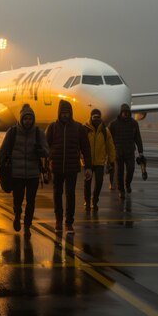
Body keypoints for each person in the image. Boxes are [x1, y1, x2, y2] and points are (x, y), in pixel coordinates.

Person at [0, 104, 49, 237]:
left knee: (31, 201)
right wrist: (1, 168)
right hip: (17, 173)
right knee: (18, 200)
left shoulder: (39, 133)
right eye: (25, 119)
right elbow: (3, 151)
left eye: (30, 119)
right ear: (21, 119)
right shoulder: (13, 132)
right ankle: (17, 215)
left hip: (33, 174)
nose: (28, 121)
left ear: (33, 119)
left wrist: (41, 151)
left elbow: (47, 151)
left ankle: (27, 225)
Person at [46, 99, 92, 233]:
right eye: (63, 113)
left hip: (72, 167)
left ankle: (69, 222)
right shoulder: (52, 127)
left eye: (67, 113)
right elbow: (46, 147)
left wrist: (88, 166)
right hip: (57, 167)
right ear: (59, 113)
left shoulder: (78, 128)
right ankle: (58, 220)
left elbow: (86, 148)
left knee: (70, 195)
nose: (65, 115)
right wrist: (45, 165)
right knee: (57, 194)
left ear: (71, 113)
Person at [108, 103, 144, 200]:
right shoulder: (113, 124)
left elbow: (138, 138)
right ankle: (121, 190)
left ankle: (127, 184)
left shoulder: (134, 123)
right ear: (121, 113)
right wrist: (109, 152)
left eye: (127, 112)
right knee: (119, 173)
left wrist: (141, 151)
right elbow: (109, 139)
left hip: (129, 152)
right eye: (124, 112)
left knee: (131, 170)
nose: (126, 114)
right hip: (118, 153)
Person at [82, 109, 116, 210]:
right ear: (91, 117)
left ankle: (95, 200)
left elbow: (110, 147)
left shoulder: (105, 131)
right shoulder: (85, 129)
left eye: (98, 117)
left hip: (100, 162)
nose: (96, 119)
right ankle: (87, 201)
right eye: (94, 117)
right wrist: (80, 157)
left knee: (99, 182)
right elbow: (80, 145)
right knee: (87, 183)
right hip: (87, 161)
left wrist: (111, 160)